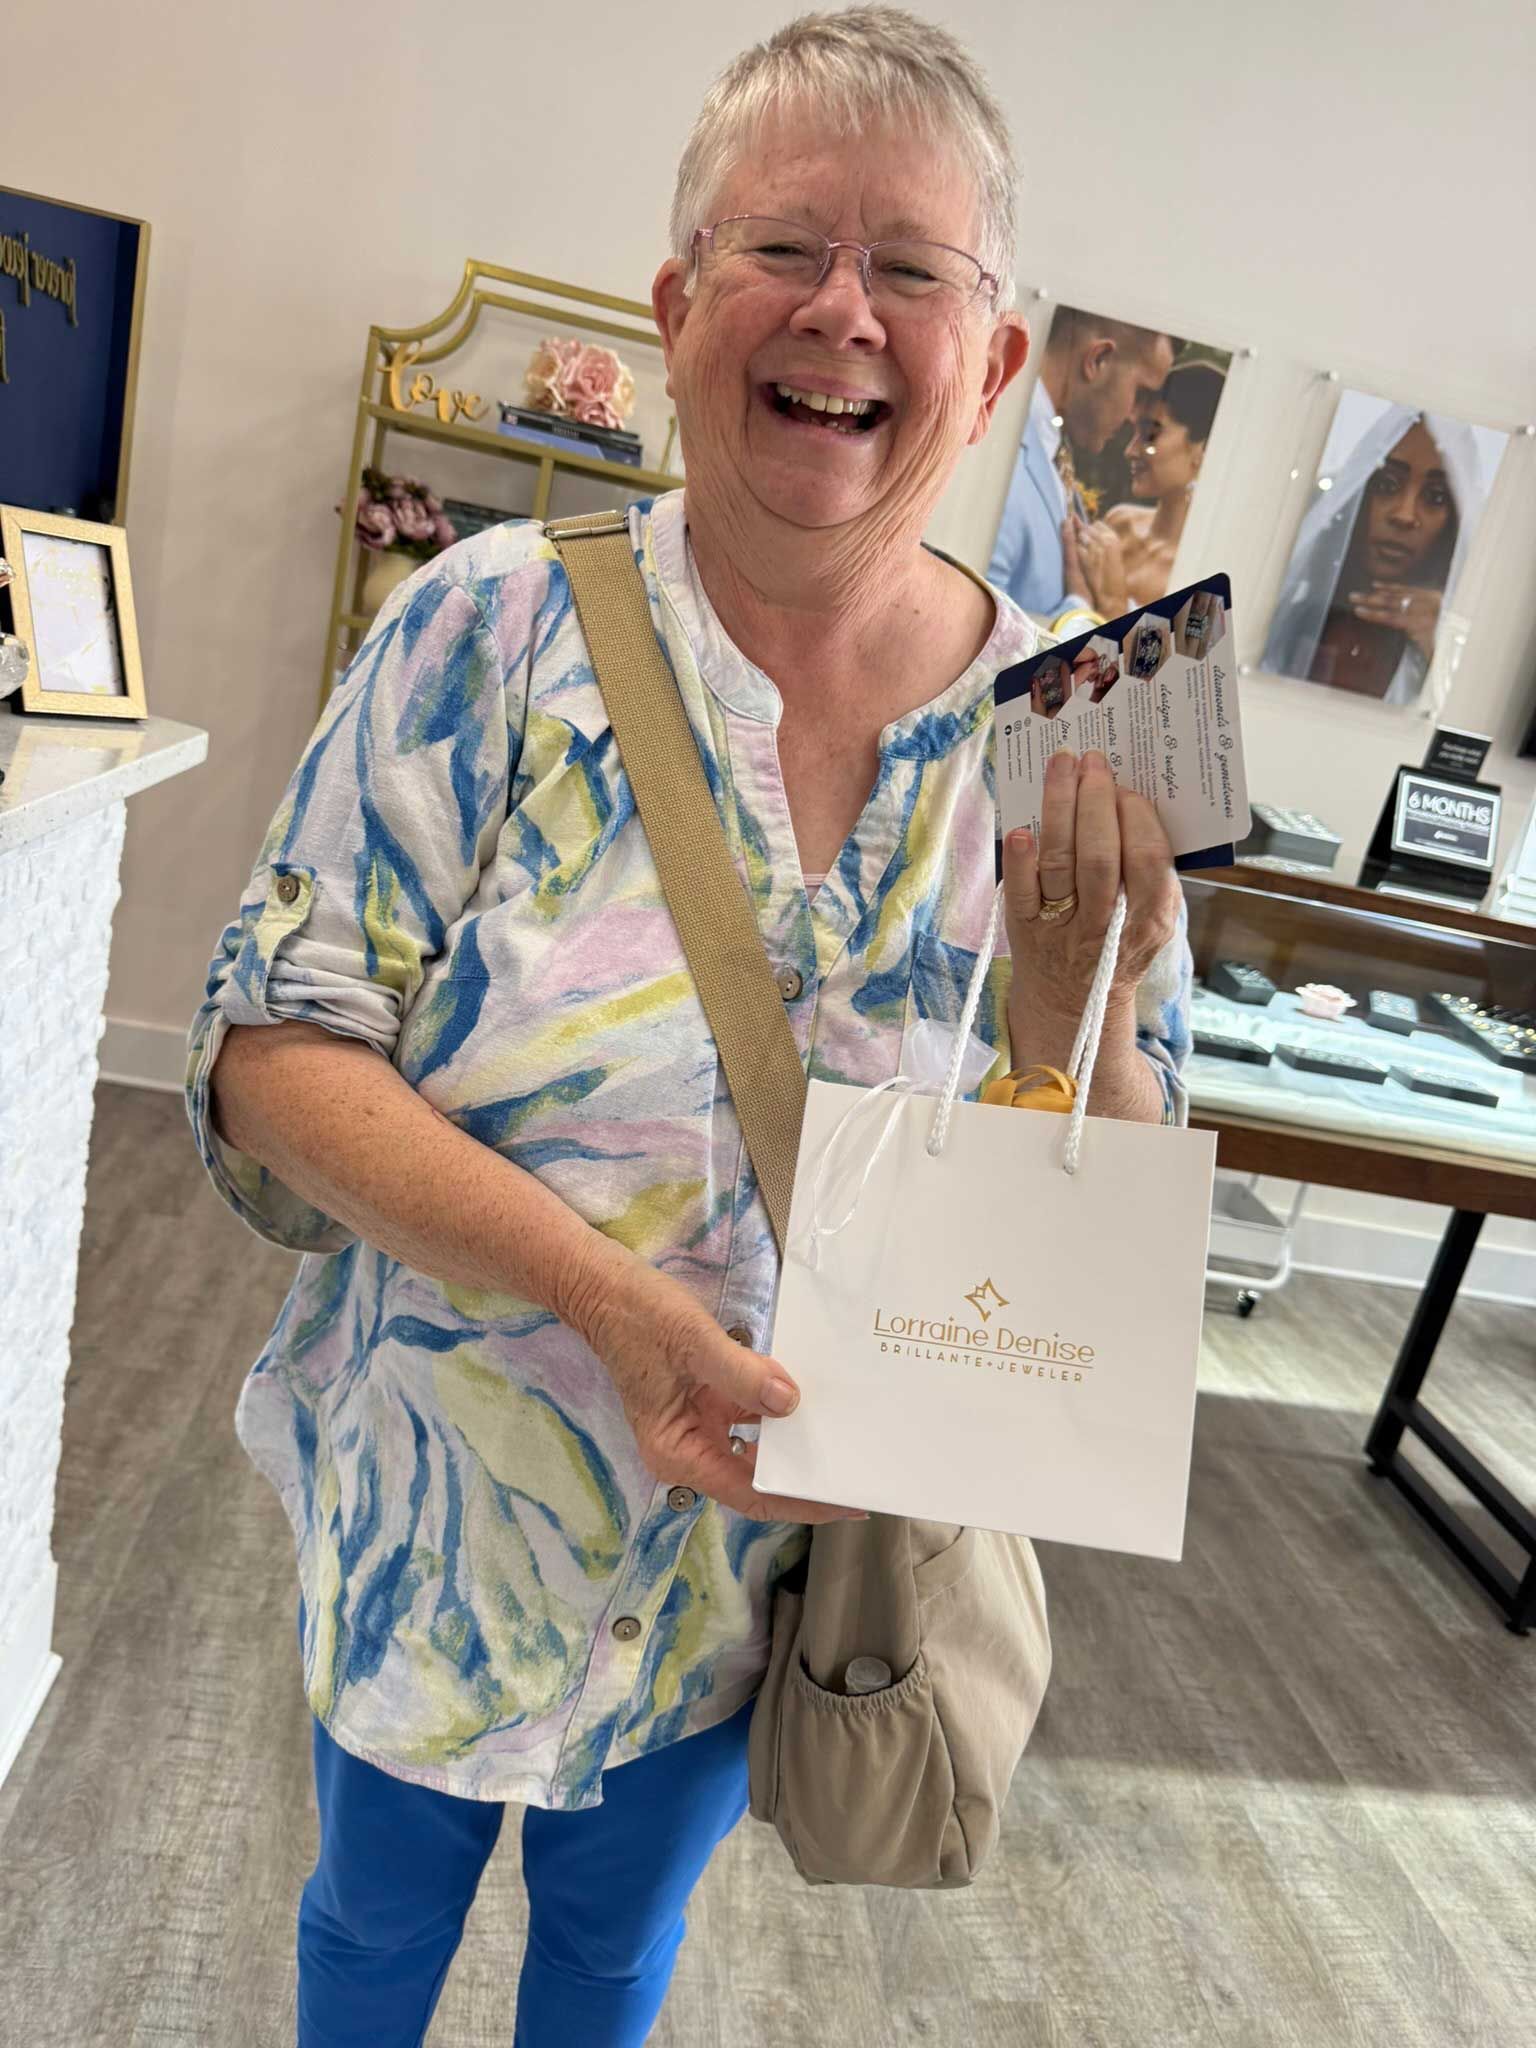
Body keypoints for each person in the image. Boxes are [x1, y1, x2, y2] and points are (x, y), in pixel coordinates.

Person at [186, 10, 1193, 2045]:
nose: (844, 311)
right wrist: (614, 1306)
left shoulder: (1098, 717)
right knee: (371, 1931)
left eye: (915, 267)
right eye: (782, 249)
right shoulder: (479, 628)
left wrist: (1082, 1020)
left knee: (615, 1953)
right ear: (677, 307)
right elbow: (267, 1050)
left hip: (764, 1590)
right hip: (449, 1510)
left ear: (992, 362)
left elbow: (1131, 1200)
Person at [1261, 404, 1487, 704]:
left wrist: (1443, 652)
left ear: (1454, 520)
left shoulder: (1465, 648)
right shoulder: (1281, 617)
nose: (1405, 515)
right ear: (1358, 494)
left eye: (1435, 497)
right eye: (1386, 485)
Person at [987, 305, 1175, 629]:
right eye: (1140, 392)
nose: (1135, 418)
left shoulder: (1052, 447)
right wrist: (1080, 612)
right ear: (1098, 360)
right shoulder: (1000, 454)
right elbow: (968, 631)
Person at [1069, 360, 1226, 615]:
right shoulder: (1118, 524)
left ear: (1205, 449)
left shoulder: (1204, 574)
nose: (1130, 451)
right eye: (1134, 433)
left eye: (1150, 434)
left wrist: (1114, 604)